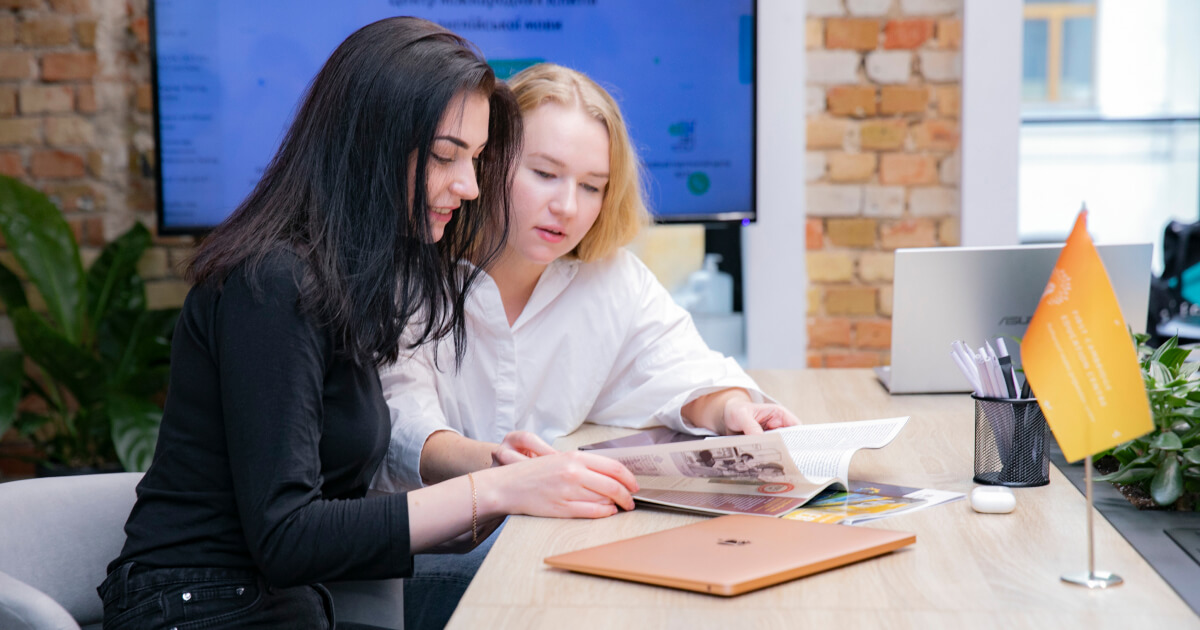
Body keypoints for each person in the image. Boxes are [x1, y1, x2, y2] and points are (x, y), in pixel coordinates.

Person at [98, 22, 636, 630]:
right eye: (445, 156)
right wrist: (498, 490)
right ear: (370, 143)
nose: (468, 186)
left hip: (282, 603)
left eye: (477, 159)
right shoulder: (271, 281)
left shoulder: (347, 278)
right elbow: (287, 537)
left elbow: (333, 527)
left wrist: (500, 475)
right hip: (198, 608)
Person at [371, 63, 801, 625]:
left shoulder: (610, 279)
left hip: (533, 534)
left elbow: (681, 368)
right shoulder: (408, 274)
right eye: (545, 174)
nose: (568, 207)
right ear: (487, 162)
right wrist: (507, 473)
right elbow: (401, 427)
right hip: (420, 555)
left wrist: (733, 408)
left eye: (592, 186)